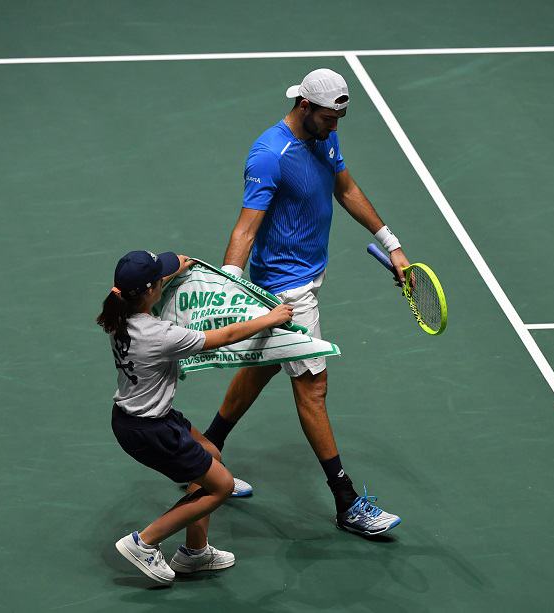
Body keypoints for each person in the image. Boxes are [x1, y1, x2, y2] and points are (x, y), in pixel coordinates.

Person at [201, 68, 408, 537]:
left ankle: (204, 451)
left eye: (339, 117)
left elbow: (347, 189)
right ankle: (346, 500)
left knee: (263, 365)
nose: (336, 126)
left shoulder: (323, 138)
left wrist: (391, 243)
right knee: (312, 388)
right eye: (329, 117)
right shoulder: (271, 153)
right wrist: (230, 286)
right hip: (285, 290)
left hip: (309, 277)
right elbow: (245, 228)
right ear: (304, 107)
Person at [99, 249, 293, 584]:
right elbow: (227, 336)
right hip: (151, 429)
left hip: (137, 417)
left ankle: (194, 552)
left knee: (210, 456)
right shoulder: (161, 336)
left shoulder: (119, 313)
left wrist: (172, 272)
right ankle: (143, 542)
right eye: (160, 279)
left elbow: (152, 282)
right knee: (221, 486)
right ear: (149, 291)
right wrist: (270, 319)